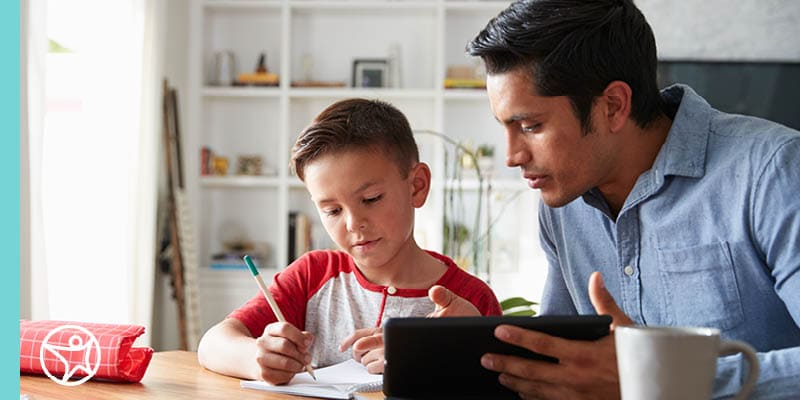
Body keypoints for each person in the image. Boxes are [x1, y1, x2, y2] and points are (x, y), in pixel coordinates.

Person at [431, 0, 800, 398]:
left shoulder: (773, 171)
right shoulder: (562, 205)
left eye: (531, 126)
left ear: (613, 106)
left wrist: (656, 380)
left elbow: (630, 381)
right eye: (506, 127)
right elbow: (564, 365)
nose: (512, 156)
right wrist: (481, 349)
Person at [196, 98, 502, 384]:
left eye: (371, 199)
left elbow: (496, 385)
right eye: (332, 210)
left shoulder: (470, 299)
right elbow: (213, 344)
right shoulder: (312, 275)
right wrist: (257, 358)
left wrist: (446, 357)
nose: (354, 223)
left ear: (417, 186)